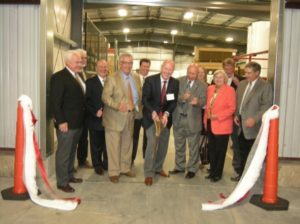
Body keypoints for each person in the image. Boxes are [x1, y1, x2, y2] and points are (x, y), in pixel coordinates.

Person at [102, 53, 140, 183]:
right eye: (125, 62)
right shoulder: (112, 78)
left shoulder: (136, 77)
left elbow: (137, 96)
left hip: (130, 116)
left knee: (127, 144)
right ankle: (113, 172)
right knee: (113, 146)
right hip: (114, 117)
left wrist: (136, 107)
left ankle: (125, 168)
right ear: (120, 63)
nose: (127, 65)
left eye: (130, 63)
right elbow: (105, 97)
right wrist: (118, 106)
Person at [232, 61, 273, 181]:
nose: (246, 75)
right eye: (246, 72)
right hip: (240, 124)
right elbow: (237, 101)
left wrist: (254, 119)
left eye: (249, 73)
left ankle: (251, 179)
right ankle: (243, 176)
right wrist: (235, 114)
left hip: (253, 126)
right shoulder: (242, 84)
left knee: (253, 153)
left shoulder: (265, 86)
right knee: (241, 152)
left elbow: (266, 105)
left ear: (257, 73)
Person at [50, 50, 84, 192]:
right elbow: (55, 102)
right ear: (67, 62)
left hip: (77, 123)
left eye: (80, 62)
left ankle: (69, 175)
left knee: (71, 152)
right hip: (66, 124)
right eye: (77, 62)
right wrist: (61, 121)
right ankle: (62, 182)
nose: (80, 64)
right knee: (64, 153)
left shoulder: (78, 76)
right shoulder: (59, 77)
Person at [143, 59, 179, 186]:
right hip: (151, 119)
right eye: (166, 68)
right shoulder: (150, 80)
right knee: (152, 144)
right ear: (161, 67)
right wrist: (152, 112)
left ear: (172, 71)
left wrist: (167, 114)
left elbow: (173, 101)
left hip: (165, 120)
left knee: (163, 145)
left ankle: (158, 168)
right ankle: (148, 173)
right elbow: (145, 99)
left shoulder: (175, 83)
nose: (167, 71)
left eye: (170, 69)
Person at [170, 64, 207, 179]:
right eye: (189, 73)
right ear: (187, 71)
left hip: (193, 120)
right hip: (178, 119)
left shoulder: (202, 85)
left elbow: (204, 100)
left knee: (193, 147)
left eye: (194, 74)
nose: (191, 76)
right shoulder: (177, 81)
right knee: (179, 145)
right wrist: (182, 98)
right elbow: (170, 97)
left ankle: (192, 169)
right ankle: (179, 166)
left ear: (197, 74)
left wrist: (198, 102)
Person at [204, 70, 236, 182]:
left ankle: (218, 174)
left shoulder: (230, 90)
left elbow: (232, 108)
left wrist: (218, 116)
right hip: (210, 123)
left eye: (220, 77)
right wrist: (206, 120)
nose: (218, 79)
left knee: (220, 151)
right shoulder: (210, 88)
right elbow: (208, 105)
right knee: (211, 150)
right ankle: (212, 171)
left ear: (225, 79)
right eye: (216, 77)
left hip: (222, 124)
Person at [85, 59, 109, 175]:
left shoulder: (110, 81)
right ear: (96, 68)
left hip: (110, 119)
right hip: (95, 119)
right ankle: (97, 164)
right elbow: (86, 101)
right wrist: (95, 112)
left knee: (107, 143)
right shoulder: (90, 82)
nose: (103, 69)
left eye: (105, 67)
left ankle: (106, 163)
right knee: (96, 144)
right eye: (101, 67)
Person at [222, 58, 243, 180]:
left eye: (230, 69)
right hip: (221, 117)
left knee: (236, 144)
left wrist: (239, 85)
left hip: (235, 116)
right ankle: (216, 166)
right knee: (220, 143)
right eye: (226, 68)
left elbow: (244, 97)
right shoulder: (219, 79)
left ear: (234, 68)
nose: (228, 71)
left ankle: (237, 168)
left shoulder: (241, 80)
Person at [75, 48, 92, 169]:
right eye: (82, 58)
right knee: (74, 138)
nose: (84, 60)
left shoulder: (85, 73)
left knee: (84, 138)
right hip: (75, 112)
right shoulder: (73, 73)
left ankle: (82, 159)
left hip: (86, 113)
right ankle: (71, 164)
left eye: (85, 58)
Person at [132, 58, 151, 164]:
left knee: (148, 137)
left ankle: (146, 158)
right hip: (136, 113)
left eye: (147, 67)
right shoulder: (133, 78)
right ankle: (131, 158)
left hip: (147, 113)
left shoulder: (151, 80)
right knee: (134, 136)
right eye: (144, 66)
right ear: (140, 67)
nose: (145, 68)